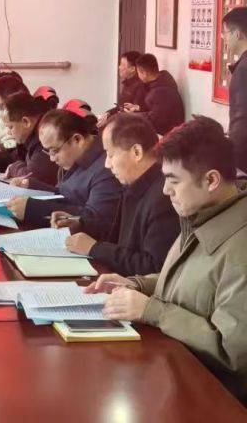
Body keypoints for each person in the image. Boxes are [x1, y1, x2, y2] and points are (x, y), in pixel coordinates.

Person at [87, 117, 247, 405]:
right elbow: (195, 284)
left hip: (214, 399)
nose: (165, 190)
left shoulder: (239, 245)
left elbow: (233, 351)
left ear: (211, 180)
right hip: (177, 374)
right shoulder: (203, 215)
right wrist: (137, 284)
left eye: (173, 181)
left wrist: (153, 311)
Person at [57, 113, 179, 275]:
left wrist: (94, 248)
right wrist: (80, 224)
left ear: (136, 152)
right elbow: (118, 238)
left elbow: (153, 268)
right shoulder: (133, 184)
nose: (107, 164)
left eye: (111, 155)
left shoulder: (164, 197)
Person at [7, 106, 122, 225]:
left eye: (54, 151)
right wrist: (31, 185)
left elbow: (97, 219)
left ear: (77, 139)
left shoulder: (107, 168)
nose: (52, 158)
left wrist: (33, 208)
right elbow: (67, 195)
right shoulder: (76, 158)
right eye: (48, 151)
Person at [0, 92, 58, 183]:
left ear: (26, 122)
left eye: (11, 127)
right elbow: (12, 158)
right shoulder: (29, 138)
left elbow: (31, 177)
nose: (8, 132)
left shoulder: (45, 138)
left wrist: (14, 167)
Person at [123, 53, 184, 135]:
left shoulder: (162, 92)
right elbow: (154, 109)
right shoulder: (160, 82)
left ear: (144, 73)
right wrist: (137, 108)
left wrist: (133, 116)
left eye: (138, 73)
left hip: (166, 135)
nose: (138, 76)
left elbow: (155, 121)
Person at [223, 6, 247, 173]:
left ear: (237, 34)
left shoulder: (244, 70)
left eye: (226, 33)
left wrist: (233, 160)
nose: (224, 39)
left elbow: (242, 119)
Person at [98, 51, 147, 127]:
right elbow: (121, 107)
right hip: (121, 121)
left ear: (132, 69)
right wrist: (108, 113)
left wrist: (109, 119)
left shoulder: (140, 86)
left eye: (122, 64)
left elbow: (132, 115)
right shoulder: (128, 83)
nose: (119, 67)